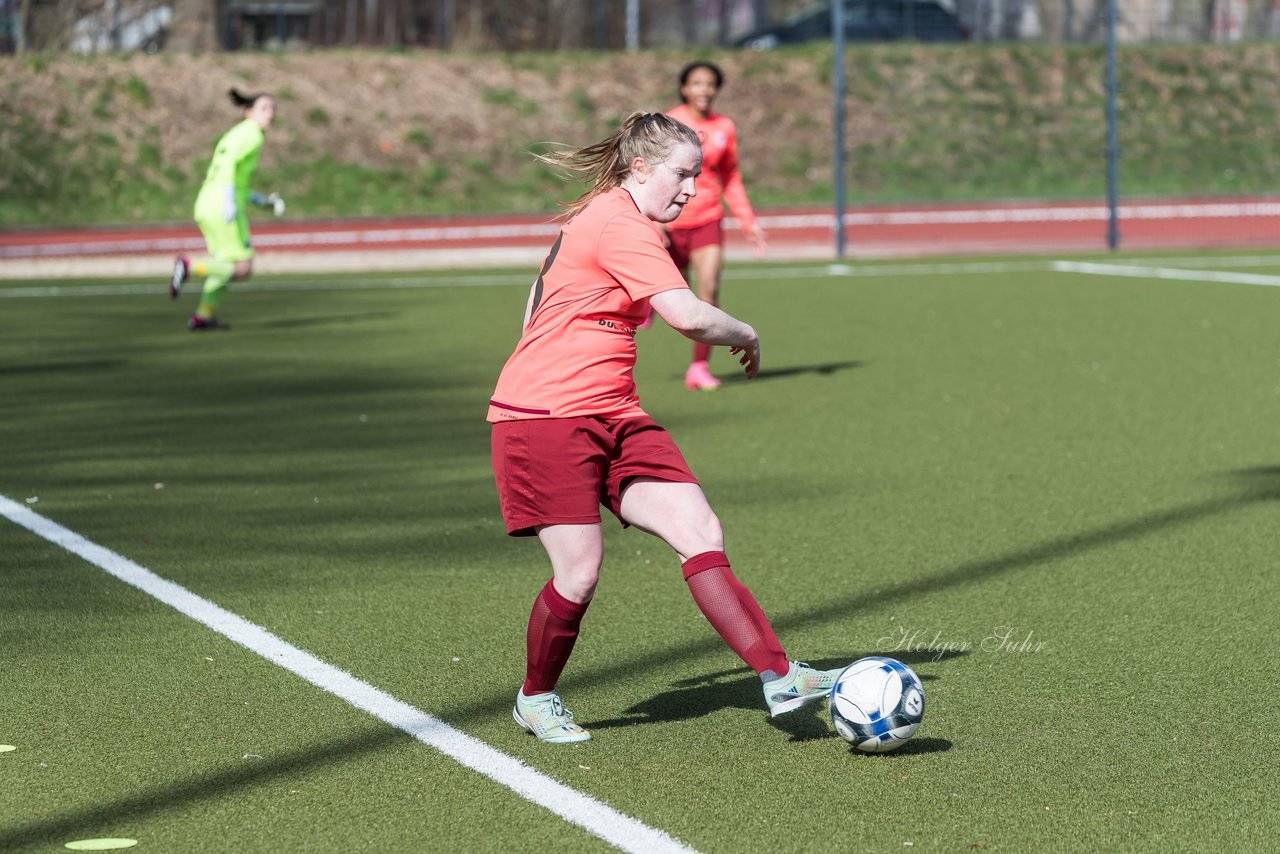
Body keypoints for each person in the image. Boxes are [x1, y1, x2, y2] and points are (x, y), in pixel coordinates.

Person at [488, 112, 839, 745]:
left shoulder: (605, 216)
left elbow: (535, 298)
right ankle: (534, 698)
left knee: (698, 528)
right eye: (681, 175)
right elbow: (686, 316)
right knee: (580, 573)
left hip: (615, 413)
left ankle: (780, 675)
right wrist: (747, 332)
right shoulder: (621, 221)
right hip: (544, 420)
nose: (691, 190)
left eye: (698, 178)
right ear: (641, 168)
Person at [664, 60, 768, 391]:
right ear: (684, 88)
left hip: (707, 219)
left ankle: (698, 367)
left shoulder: (725, 127)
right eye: (696, 83)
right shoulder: (669, 122)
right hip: (669, 221)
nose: (704, 90)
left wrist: (747, 221)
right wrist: (650, 220)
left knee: (707, 293)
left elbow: (731, 177)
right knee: (665, 295)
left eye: (710, 84)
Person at [168, 88, 285, 331]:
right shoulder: (252, 133)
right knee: (243, 268)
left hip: (207, 202)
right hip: (222, 206)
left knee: (224, 265)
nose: (270, 114)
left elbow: (232, 176)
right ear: (248, 112)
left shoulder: (237, 133)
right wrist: (229, 200)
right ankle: (189, 266)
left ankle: (202, 317)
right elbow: (230, 163)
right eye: (264, 109)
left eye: (272, 109)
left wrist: (262, 202)